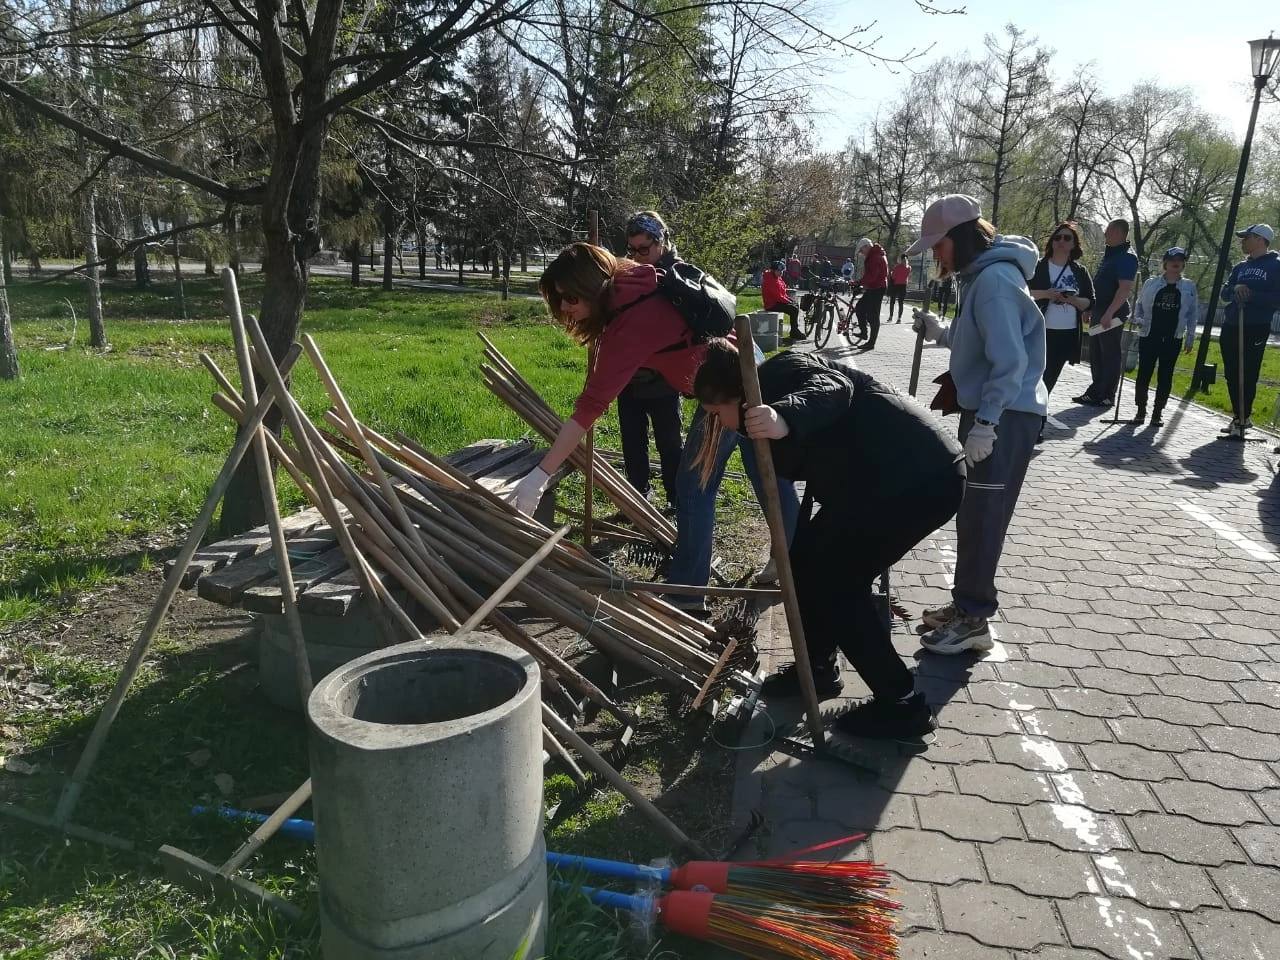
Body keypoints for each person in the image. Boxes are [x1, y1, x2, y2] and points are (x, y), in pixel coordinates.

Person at [692, 342, 964, 738]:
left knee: (838, 584)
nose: (721, 423)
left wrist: (784, 416)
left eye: (718, 413)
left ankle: (902, 705)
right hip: (878, 482)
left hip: (919, 479)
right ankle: (816, 670)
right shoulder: (764, 386)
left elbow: (834, 388)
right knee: (802, 563)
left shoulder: (782, 375)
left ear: (738, 394)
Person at [515, 243, 798, 608]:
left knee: (696, 484)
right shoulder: (635, 278)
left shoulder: (630, 322)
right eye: (559, 301)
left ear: (590, 286)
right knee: (765, 473)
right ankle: (789, 557)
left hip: (730, 385)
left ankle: (688, 593)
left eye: (570, 298)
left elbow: (590, 406)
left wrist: (540, 474)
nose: (566, 308)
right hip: (745, 365)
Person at [909, 195, 1047, 654]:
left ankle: (974, 619)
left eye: (939, 244)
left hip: (1005, 414)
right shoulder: (981, 278)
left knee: (984, 517)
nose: (935, 254)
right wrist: (941, 333)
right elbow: (980, 338)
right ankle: (965, 604)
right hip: (994, 410)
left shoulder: (994, 281)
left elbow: (1009, 361)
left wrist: (987, 422)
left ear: (962, 237)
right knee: (973, 513)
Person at [602, 210, 685, 504]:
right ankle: (638, 499)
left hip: (664, 379)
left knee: (669, 442)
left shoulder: (678, 275)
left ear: (661, 242)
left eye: (644, 249)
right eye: (632, 249)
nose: (637, 256)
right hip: (630, 378)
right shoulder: (627, 273)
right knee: (632, 444)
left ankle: (677, 498)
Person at [1029, 221, 1094, 438]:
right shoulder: (1038, 266)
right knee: (1033, 377)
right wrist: (1048, 294)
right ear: (1052, 241)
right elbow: (1023, 292)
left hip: (1065, 334)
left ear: (1074, 244)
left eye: (1067, 238)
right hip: (1038, 330)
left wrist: (1072, 299)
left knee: (1048, 380)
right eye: (1058, 237)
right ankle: (1027, 421)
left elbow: (1089, 302)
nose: (1061, 242)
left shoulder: (1079, 271)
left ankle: (1036, 426)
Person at [1219, 224, 1280, 439]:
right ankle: (1239, 415)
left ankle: (1243, 418)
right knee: (1231, 372)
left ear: (1259, 239)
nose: (1242, 242)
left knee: (1248, 373)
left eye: (1246, 238)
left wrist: (1251, 294)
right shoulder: (1239, 267)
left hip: (1255, 326)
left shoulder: (1276, 266)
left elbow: (1277, 299)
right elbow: (1225, 292)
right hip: (1232, 324)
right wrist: (1235, 288)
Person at [1130, 247, 1198, 428]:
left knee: (1165, 375)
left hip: (1173, 337)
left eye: (1180, 260)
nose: (1175, 263)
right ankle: (1140, 410)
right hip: (1149, 334)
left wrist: (1191, 336)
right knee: (1144, 373)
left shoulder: (1189, 287)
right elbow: (1139, 305)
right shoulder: (1151, 283)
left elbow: (1192, 314)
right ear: (1165, 263)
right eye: (1171, 260)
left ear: (1183, 264)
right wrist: (1137, 319)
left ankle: (1157, 413)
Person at [1073, 219, 1137, 409]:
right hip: (1100, 311)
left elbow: (1124, 290)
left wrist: (1109, 313)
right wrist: (1090, 309)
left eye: (1108, 231)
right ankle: (1095, 391)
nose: (1105, 234)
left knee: (1109, 353)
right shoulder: (1111, 255)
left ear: (1118, 232)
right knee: (1096, 352)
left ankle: (1107, 394)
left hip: (1113, 313)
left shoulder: (1127, 257)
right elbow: (1099, 286)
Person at [853, 237, 888, 349]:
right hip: (874, 287)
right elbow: (869, 275)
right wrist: (860, 283)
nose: (862, 254)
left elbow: (872, 276)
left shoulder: (875, 257)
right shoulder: (874, 255)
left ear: (866, 246)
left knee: (873, 315)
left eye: (862, 251)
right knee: (860, 308)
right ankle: (864, 333)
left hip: (877, 288)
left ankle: (871, 343)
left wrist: (860, 283)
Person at [762, 259, 803, 340]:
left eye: (782, 271)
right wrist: (789, 301)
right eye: (778, 270)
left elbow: (783, 294)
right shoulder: (770, 280)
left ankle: (795, 330)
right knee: (793, 309)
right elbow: (778, 297)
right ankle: (794, 332)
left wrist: (791, 300)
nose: (781, 272)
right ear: (773, 270)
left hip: (777, 302)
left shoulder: (777, 278)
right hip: (771, 304)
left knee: (795, 306)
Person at [888, 255, 911, 323]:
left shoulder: (897, 267)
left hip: (895, 286)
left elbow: (893, 277)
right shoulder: (909, 268)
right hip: (903, 286)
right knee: (901, 303)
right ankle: (899, 318)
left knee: (892, 301)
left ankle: (891, 317)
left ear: (901, 259)